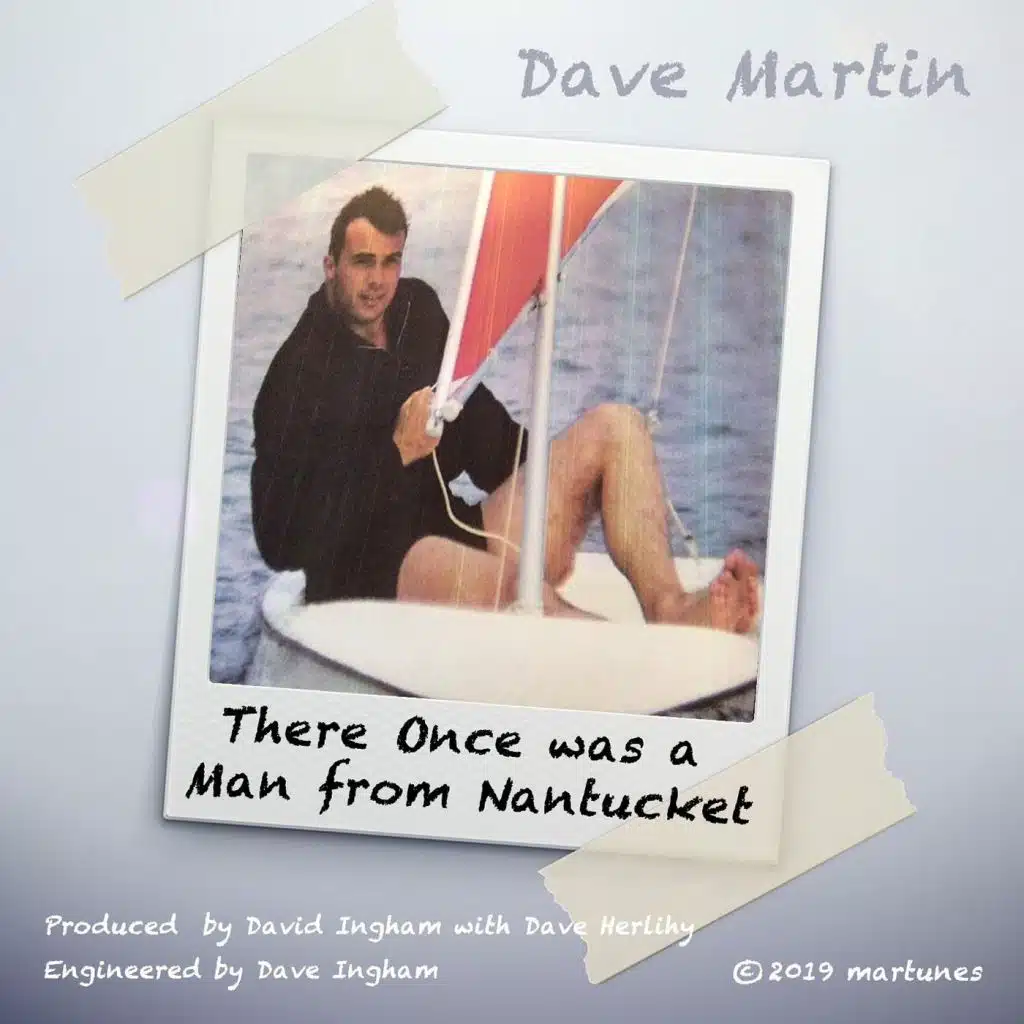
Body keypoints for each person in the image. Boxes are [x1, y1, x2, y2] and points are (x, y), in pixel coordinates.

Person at [251, 185, 760, 632]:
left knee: (617, 427)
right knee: (521, 591)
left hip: (451, 528)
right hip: (370, 570)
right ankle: (651, 660)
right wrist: (395, 453)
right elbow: (279, 540)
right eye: (363, 262)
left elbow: (484, 436)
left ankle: (671, 609)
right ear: (331, 267)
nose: (378, 281)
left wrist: (570, 485)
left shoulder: (415, 311)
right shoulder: (296, 375)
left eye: (391, 261)